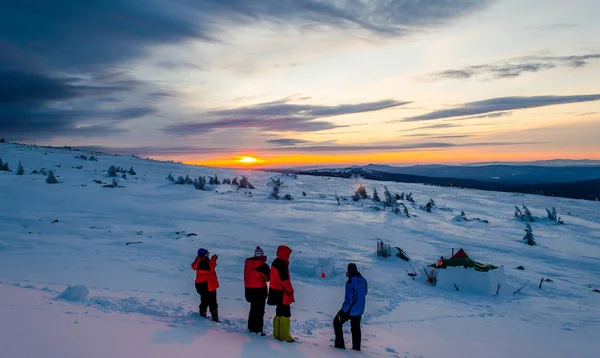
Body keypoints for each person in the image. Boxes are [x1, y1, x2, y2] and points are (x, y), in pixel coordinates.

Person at [334, 263, 367, 351]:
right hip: (359, 309)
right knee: (356, 327)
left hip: (350, 310)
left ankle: (339, 346)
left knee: (337, 322)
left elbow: (348, 299)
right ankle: (356, 348)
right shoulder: (364, 280)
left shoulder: (350, 282)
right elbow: (365, 293)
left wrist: (343, 310)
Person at [267, 245, 295, 342]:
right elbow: (284, 281)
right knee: (285, 313)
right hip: (282, 293)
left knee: (279, 312)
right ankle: (285, 336)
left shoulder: (276, 262)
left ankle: (277, 334)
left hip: (275, 291)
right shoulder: (281, 264)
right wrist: (290, 291)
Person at [244, 246, 270, 335]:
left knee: (253, 309)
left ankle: (251, 327)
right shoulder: (263, 266)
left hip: (249, 290)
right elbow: (268, 278)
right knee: (259, 311)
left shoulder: (248, 263)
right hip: (259, 291)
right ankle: (258, 330)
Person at [191, 248, 219, 322]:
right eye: (207, 254)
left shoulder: (198, 261)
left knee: (204, 301)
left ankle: (202, 317)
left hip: (201, 284)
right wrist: (214, 259)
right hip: (207, 284)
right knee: (212, 302)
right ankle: (214, 319)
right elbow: (210, 269)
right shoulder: (202, 263)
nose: (208, 255)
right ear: (203, 255)